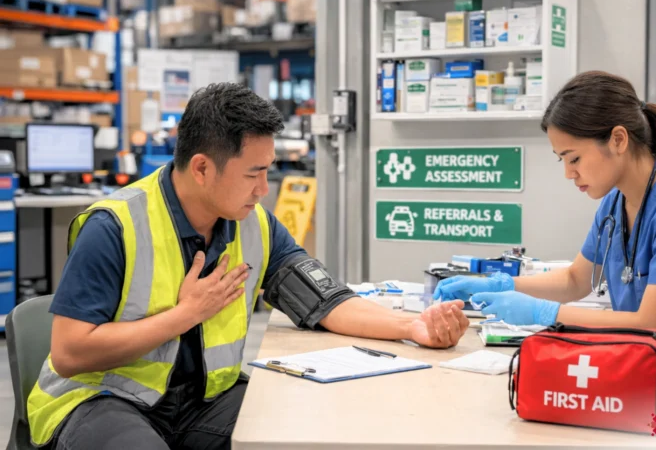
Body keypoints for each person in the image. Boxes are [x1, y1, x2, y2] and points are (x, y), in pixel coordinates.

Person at [28, 83, 469, 450]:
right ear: (201, 168)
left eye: (268, 171)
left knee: (316, 431)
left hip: (199, 402)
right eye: (253, 173)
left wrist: (413, 327)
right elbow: (70, 355)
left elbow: (325, 301)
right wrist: (183, 316)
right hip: (100, 400)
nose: (263, 189)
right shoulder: (114, 227)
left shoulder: (252, 223)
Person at [434, 71, 656, 449]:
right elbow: (577, 279)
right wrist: (502, 284)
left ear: (619, 139)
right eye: (561, 159)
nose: (567, 173)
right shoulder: (616, 201)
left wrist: (543, 313)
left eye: (574, 158)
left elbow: (652, 323)